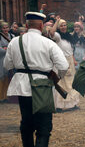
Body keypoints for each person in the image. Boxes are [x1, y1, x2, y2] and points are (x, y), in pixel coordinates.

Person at [3, 12, 69, 147]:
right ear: (41, 26)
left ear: (27, 25)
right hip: (43, 86)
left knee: (26, 123)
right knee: (44, 126)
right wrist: (56, 78)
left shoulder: (15, 41)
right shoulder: (48, 43)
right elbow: (63, 66)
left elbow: (7, 65)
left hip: (22, 87)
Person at [49, 17, 80, 112]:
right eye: (61, 26)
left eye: (65, 25)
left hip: (70, 61)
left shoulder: (68, 36)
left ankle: (72, 104)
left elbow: (70, 51)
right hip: (61, 62)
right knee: (61, 83)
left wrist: (73, 60)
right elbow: (52, 33)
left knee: (71, 83)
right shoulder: (58, 37)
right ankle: (59, 105)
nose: (63, 27)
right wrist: (57, 21)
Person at [0, 22, 15, 102]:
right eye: (4, 28)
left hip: (9, 59)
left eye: (7, 28)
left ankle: (6, 96)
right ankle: (1, 97)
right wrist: (6, 49)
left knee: (7, 78)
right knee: (1, 77)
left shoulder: (12, 36)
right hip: (1, 59)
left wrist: (7, 49)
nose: (5, 29)